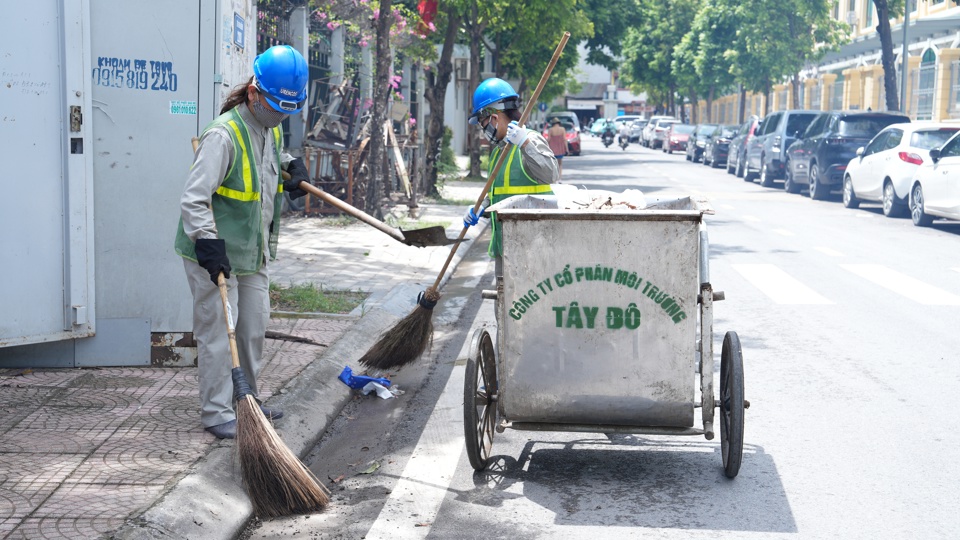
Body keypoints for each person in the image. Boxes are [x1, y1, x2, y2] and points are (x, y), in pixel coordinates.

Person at [174, 45, 310, 439]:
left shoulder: (271, 125)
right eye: (275, 106)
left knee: (252, 327)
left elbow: (267, 157)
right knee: (218, 333)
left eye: (288, 109)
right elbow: (193, 198)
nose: (280, 115)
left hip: (252, 250)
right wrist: (207, 244)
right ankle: (217, 412)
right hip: (213, 251)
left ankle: (245, 402)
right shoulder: (223, 136)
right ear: (254, 93)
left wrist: (288, 167)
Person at [462, 77, 559, 261]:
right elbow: (498, 195)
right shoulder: (498, 151)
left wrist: (525, 144)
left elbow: (551, 174)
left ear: (494, 117)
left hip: (534, 247)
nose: (484, 130)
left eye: (483, 124)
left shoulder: (529, 140)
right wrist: (480, 209)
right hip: (505, 248)